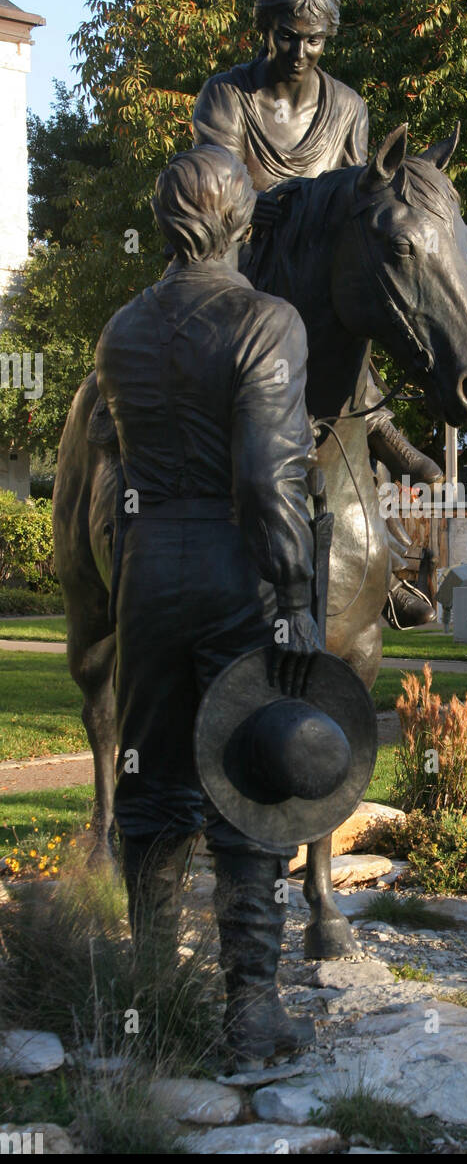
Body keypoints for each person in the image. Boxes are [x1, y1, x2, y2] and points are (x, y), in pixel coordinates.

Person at [95, 144, 318, 1064]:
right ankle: (249, 1012)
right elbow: (270, 481)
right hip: (235, 565)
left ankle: (147, 1001)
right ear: (241, 222)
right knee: (250, 783)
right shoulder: (269, 322)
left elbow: (118, 475)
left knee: (148, 789)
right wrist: (295, 595)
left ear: (164, 224)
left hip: (147, 572)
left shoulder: (120, 331)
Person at [193, 0, 440, 625]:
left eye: (314, 40)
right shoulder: (226, 95)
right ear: (264, 29)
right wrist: (251, 204)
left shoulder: (349, 107)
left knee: (356, 311)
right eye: (285, 36)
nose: (299, 53)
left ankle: (376, 561)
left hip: (318, 279)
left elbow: (361, 202)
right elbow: (207, 185)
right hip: (244, 269)